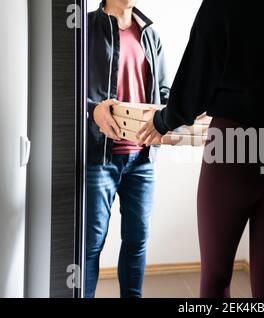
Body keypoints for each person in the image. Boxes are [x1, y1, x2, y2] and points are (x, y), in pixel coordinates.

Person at [138, 0, 264, 298]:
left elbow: (194, 83)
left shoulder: (221, 6)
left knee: (217, 276)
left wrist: (162, 120)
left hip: (234, 145)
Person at [85, 0, 170, 298]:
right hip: (99, 158)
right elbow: (71, 90)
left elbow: (164, 92)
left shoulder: (150, 34)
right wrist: (93, 110)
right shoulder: (87, 28)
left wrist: (179, 114)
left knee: (137, 240)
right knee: (90, 244)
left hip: (143, 158)